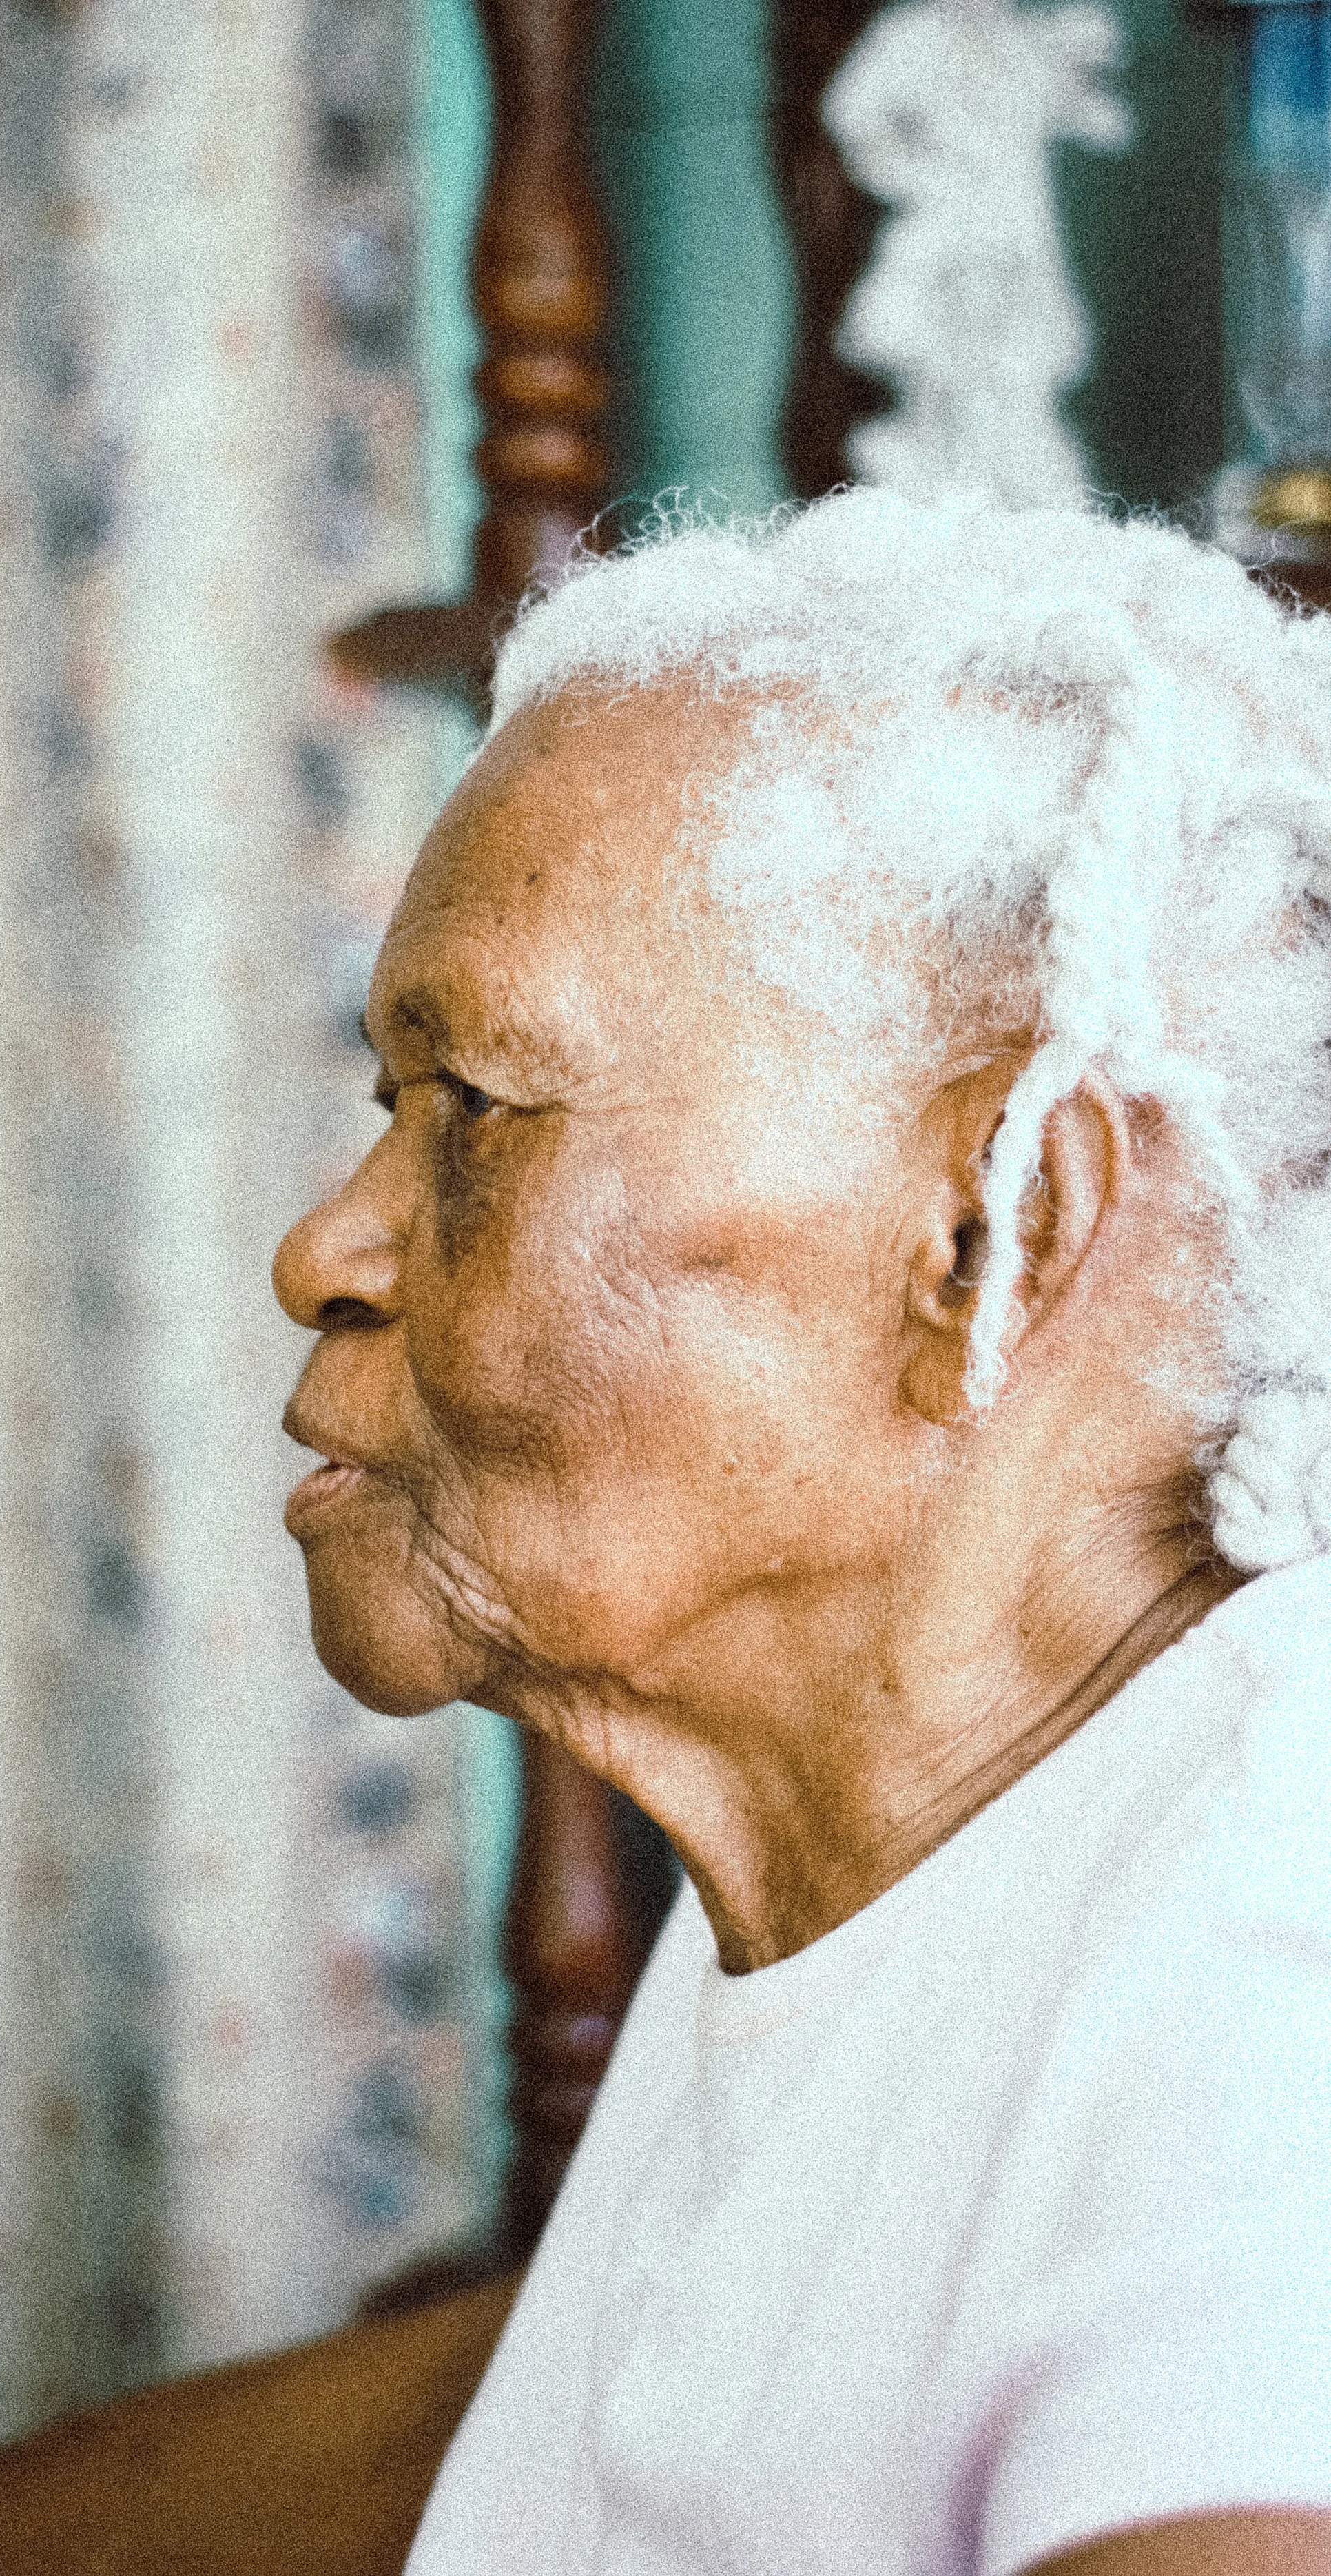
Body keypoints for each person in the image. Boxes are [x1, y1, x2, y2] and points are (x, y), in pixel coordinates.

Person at [271, 487, 1331, 2576]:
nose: (325, 1250)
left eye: (469, 1104)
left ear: (987, 1237)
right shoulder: (914, 1833)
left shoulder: (1260, 2000)